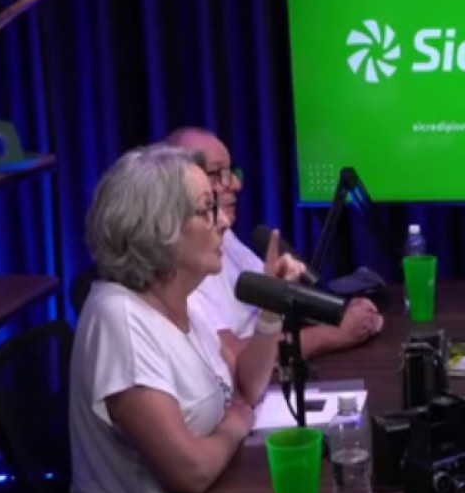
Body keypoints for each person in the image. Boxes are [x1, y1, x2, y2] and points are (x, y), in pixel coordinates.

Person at [66, 145, 303, 493]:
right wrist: (234, 424)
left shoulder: (182, 298)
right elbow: (189, 472)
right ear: (160, 227)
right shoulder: (120, 321)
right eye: (206, 210)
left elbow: (249, 386)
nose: (224, 222)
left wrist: (272, 305)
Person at [163, 127, 383, 363]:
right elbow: (231, 356)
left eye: (232, 172)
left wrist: (339, 311)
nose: (236, 184)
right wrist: (337, 332)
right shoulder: (178, 267)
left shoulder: (225, 237)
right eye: (218, 173)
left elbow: (278, 301)